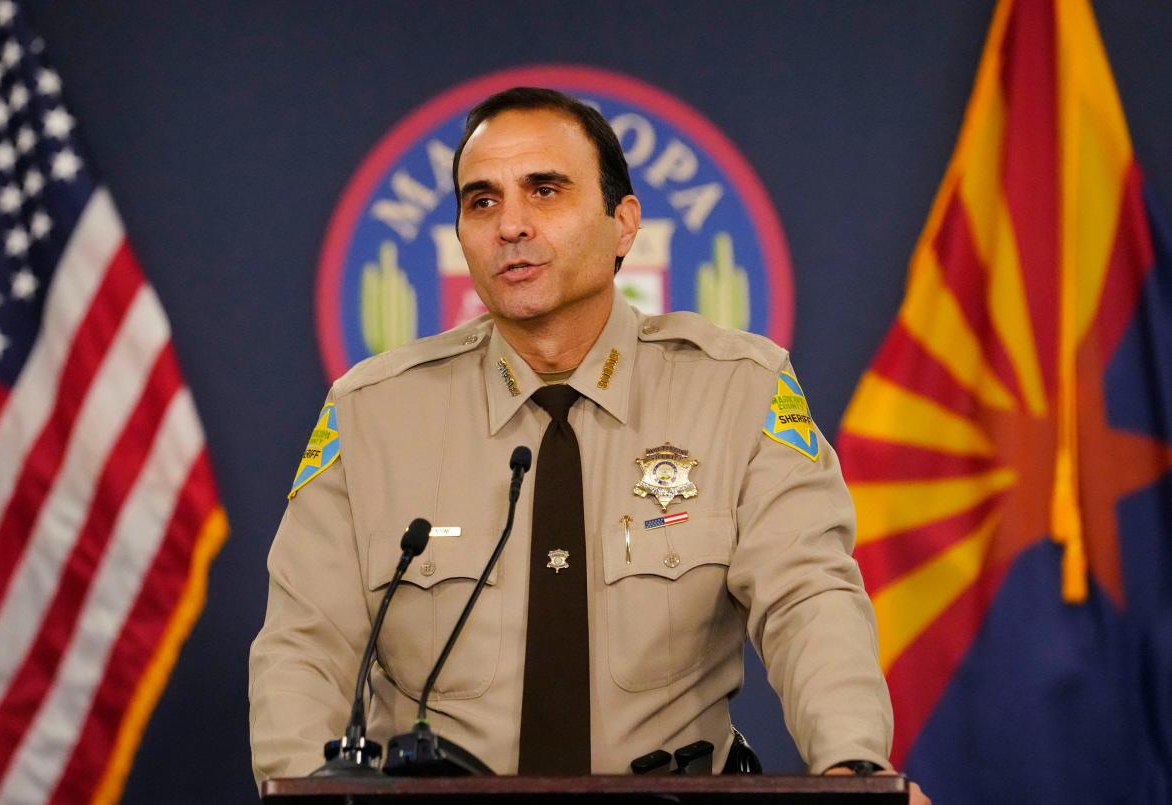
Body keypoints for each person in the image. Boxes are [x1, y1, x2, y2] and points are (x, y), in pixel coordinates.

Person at [250, 87, 927, 802]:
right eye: (481, 201)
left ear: (622, 224)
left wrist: (853, 767)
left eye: (545, 190)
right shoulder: (372, 414)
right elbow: (305, 649)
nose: (510, 224)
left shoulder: (738, 391)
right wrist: (305, 793)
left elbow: (807, 599)